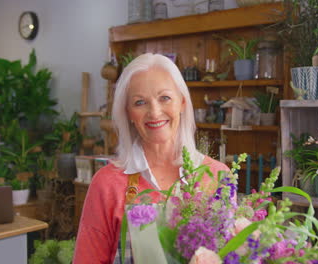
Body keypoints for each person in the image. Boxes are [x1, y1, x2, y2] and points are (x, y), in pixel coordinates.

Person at [73, 53, 229, 263]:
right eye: (140, 102)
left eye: (165, 98)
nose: (154, 112)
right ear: (128, 112)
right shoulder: (107, 183)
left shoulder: (219, 176)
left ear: (182, 102)